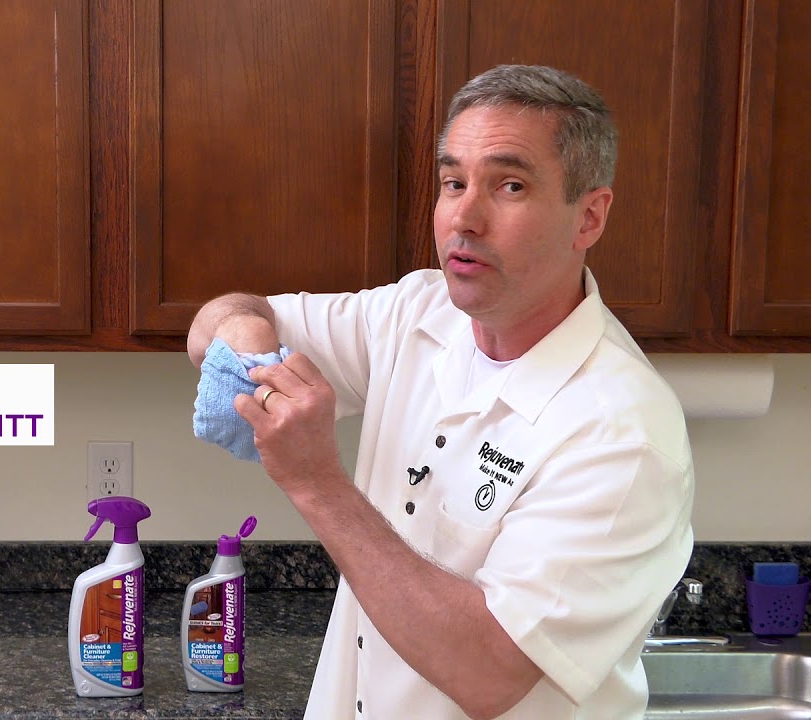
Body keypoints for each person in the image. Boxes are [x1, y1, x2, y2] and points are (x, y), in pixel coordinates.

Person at [187, 64, 694, 719]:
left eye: (510, 186)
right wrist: (253, 351)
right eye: (454, 182)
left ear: (589, 218)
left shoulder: (622, 435)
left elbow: (488, 673)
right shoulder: (416, 313)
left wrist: (315, 482)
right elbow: (217, 321)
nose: (464, 217)